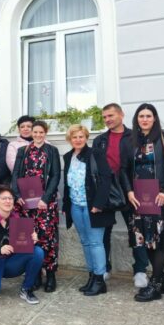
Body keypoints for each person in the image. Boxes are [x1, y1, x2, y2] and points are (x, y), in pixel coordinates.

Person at [120, 103, 164, 302]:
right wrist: (128, 192)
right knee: (145, 239)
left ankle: (154, 284)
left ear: (154, 118)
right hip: (138, 200)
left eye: (148, 116)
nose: (144, 119)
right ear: (136, 119)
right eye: (141, 116)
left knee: (159, 240)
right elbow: (123, 169)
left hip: (160, 198)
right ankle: (162, 279)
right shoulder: (129, 141)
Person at [92, 103, 150, 287]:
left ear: (121, 115)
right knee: (104, 233)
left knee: (137, 230)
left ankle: (140, 270)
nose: (108, 119)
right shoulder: (99, 140)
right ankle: (105, 268)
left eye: (111, 115)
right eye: (105, 117)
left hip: (131, 190)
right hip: (106, 192)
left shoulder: (136, 136)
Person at [62, 125, 113, 296]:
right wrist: (65, 206)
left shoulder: (95, 154)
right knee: (85, 241)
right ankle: (92, 276)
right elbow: (67, 183)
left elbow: (106, 179)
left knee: (96, 242)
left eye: (81, 136)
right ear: (70, 139)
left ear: (86, 137)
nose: (78, 140)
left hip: (93, 207)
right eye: (74, 137)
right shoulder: (68, 156)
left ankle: (100, 280)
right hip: (76, 206)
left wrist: (98, 204)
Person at [10, 120, 61, 292]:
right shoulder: (22, 151)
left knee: (47, 238)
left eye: (41, 132)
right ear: (31, 133)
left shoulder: (52, 151)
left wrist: (45, 199)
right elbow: (16, 173)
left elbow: (55, 176)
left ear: (45, 133)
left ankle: (51, 275)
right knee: (31, 238)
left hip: (45, 203)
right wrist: (17, 195)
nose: (38, 135)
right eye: (35, 132)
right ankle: (36, 274)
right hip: (26, 203)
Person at [0, 185, 45, 304]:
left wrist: (32, 240)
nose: (8, 201)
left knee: (37, 251)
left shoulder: (17, 218)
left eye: (10, 198)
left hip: (11, 262)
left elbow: (22, 244)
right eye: (4, 198)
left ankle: (27, 289)